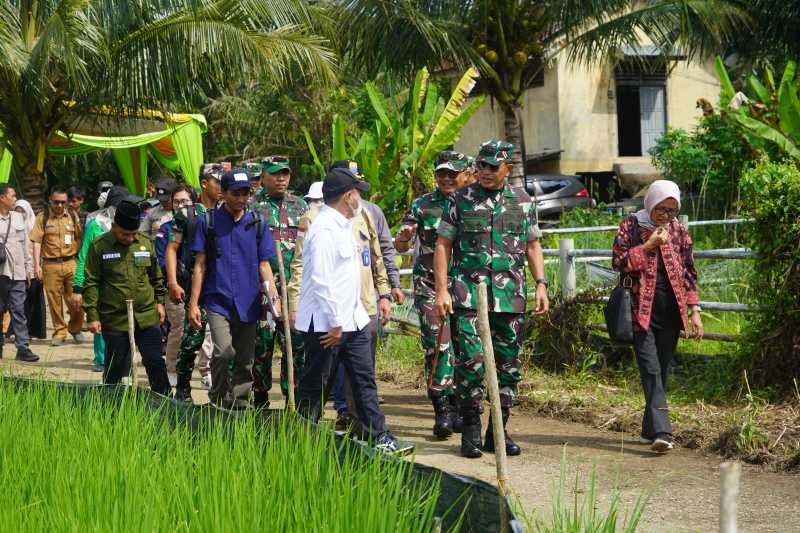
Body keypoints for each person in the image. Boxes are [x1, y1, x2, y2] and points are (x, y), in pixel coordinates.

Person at [434, 140, 549, 459]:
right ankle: (470, 428)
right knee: (471, 364)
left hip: (509, 300)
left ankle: (498, 430)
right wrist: (442, 291)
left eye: (492, 167)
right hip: (469, 297)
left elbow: (533, 245)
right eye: (481, 166)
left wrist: (541, 284)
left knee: (508, 367)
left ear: (507, 169)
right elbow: (443, 245)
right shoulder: (461, 199)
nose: (484, 172)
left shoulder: (523, 202)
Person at [295, 167, 398, 453]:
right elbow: (321, 281)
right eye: (357, 195)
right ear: (347, 196)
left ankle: (379, 436)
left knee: (364, 380)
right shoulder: (324, 230)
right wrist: (335, 323)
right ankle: (302, 438)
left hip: (354, 321)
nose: (360, 201)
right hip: (327, 326)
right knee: (316, 383)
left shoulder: (345, 225)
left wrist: (354, 318)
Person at [612, 179, 703, 454]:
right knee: (650, 370)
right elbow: (619, 262)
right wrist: (649, 245)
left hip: (671, 312)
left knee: (661, 371)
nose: (666, 216)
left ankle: (647, 430)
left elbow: (689, 272)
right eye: (661, 210)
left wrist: (695, 310)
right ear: (650, 204)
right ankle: (663, 432)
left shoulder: (679, 231)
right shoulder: (631, 225)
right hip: (640, 311)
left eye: (671, 211)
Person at [188, 168, 280, 409]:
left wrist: (274, 297)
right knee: (223, 351)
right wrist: (193, 304)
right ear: (223, 194)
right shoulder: (208, 222)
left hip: (248, 301)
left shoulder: (257, 224)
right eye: (235, 194)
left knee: (245, 359)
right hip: (218, 300)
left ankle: (240, 402)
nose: (241, 199)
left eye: (245, 194)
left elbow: (264, 265)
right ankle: (218, 399)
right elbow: (200, 265)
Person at [396, 151, 470, 438]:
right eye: (441, 173)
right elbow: (403, 245)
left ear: (467, 173)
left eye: (453, 173)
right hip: (429, 285)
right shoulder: (422, 205)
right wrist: (403, 238)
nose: (447, 178)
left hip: (464, 285)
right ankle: (443, 410)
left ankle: (462, 409)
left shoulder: (473, 203)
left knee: (465, 347)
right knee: (437, 343)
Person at [82, 199, 171, 394]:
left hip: (147, 315)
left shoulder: (145, 243)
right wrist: (93, 316)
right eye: (124, 234)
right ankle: (110, 407)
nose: (130, 238)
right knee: (116, 366)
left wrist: (160, 303)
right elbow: (91, 282)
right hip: (115, 318)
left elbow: (156, 276)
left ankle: (166, 403)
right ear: (114, 226)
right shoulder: (100, 246)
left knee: (155, 362)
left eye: (132, 234)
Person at [248, 155, 308, 407]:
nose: (281, 178)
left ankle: (292, 399)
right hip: (261, 287)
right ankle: (260, 397)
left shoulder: (300, 206)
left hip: (294, 287)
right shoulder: (252, 207)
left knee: (294, 345)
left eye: (285, 173)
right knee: (261, 345)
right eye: (275, 174)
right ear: (263, 177)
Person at [169, 164, 224, 401]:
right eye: (217, 181)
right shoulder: (187, 214)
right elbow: (172, 248)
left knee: (226, 343)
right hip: (195, 288)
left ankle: (223, 392)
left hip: (222, 286)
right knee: (192, 341)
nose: (222, 187)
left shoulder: (228, 212)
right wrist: (172, 282)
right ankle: (182, 390)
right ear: (204, 183)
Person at [72, 186, 133, 372]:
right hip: (100, 283)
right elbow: (84, 257)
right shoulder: (95, 225)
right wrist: (78, 287)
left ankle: (124, 360)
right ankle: (101, 358)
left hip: (123, 283)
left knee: (124, 323)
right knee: (100, 321)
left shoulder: (131, 227)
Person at [331, 161, 404, 305]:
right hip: (334, 294)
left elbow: (385, 250)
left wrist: (392, 287)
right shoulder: (320, 216)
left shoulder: (372, 212)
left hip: (369, 293)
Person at [31, 185, 85, 346]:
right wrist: (37, 265)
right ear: (50, 200)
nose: (59, 206)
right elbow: (36, 242)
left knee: (76, 300)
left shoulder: (73, 217)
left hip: (71, 263)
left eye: (63, 202)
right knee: (54, 301)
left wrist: (80, 261)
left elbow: (80, 238)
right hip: (50, 265)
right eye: (56, 202)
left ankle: (75, 328)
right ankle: (59, 332)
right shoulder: (43, 218)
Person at [0, 185, 38, 362]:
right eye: (12, 195)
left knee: (19, 310)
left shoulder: (17, 218)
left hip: (18, 273)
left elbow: (25, 246)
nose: (15, 199)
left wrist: (29, 269)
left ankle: (23, 348)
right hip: (2, 272)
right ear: (2, 198)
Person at [13, 199, 46, 340]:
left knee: (34, 301)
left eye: (22, 211)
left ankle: (33, 331)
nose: (20, 213)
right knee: (19, 302)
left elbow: (38, 248)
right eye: (17, 210)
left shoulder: (34, 226)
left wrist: (36, 267)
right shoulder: (12, 226)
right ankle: (18, 331)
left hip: (34, 268)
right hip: (17, 269)